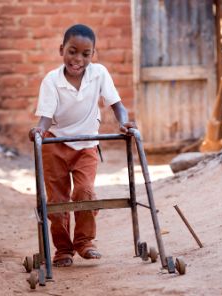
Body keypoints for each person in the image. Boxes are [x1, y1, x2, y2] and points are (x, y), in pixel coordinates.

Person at [28, 24, 136, 267]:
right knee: (57, 201)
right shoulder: (52, 81)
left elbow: (116, 104)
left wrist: (124, 122)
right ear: (61, 50)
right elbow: (45, 116)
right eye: (72, 51)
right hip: (54, 143)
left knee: (85, 192)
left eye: (85, 54)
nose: (78, 59)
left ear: (92, 55)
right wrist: (40, 129)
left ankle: (85, 242)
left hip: (86, 145)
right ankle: (63, 250)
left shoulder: (99, 74)